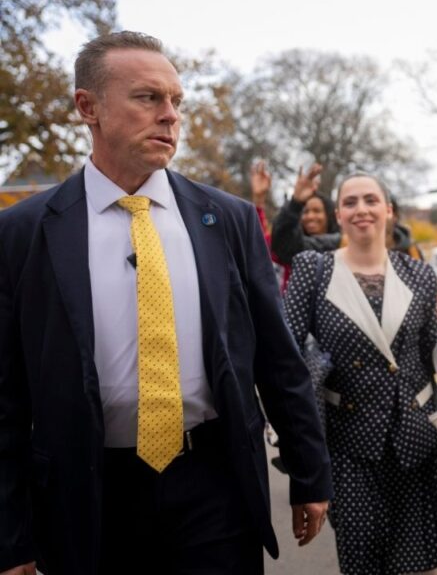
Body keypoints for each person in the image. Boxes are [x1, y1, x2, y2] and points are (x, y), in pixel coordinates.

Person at [0, 31, 331, 575]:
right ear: (89, 107)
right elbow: (6, 398)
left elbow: (278, 358)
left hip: (214, 485)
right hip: (87, 493)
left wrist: (309, 473)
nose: (170, 115)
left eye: (176, 100)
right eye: (148, 98)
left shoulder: (227, 220)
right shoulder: (23, 233)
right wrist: (11, 537)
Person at [283, 173, 437, 575]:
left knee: (422, 566)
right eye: (351, 202)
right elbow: (285, 353)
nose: (362, 209)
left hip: (415, 443)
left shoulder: (419, 275)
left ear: (389, 211)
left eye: (372, 200)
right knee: (363, 565)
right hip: (350, 446)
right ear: (338, 214)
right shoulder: (314, 269)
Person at [268, 162, 341, 288]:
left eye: (317, 211)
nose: (310, 216)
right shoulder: (297, 246)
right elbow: (283, 243)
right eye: (305, 212)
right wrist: (295, 203)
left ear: (329, 215)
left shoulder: (343, 243)